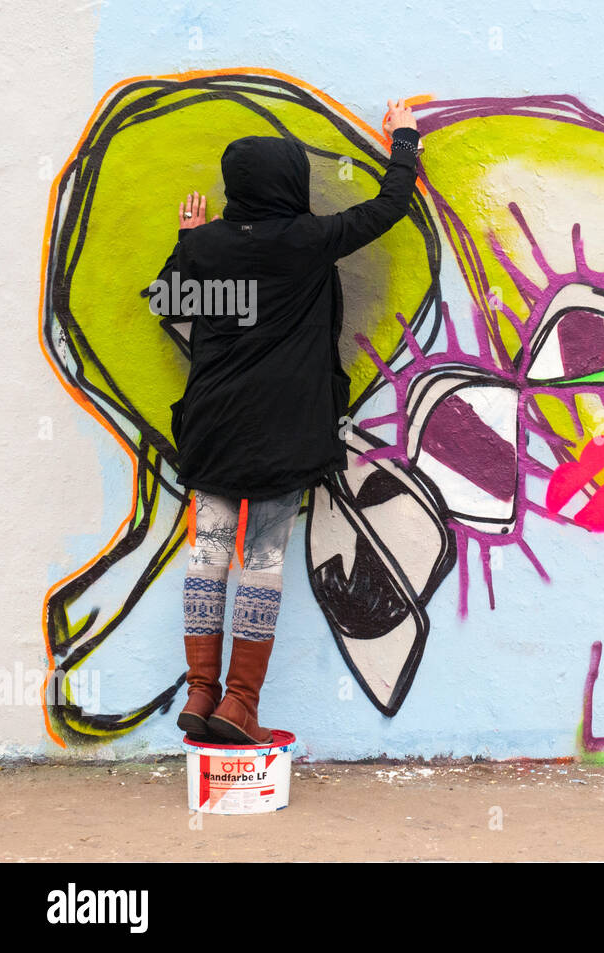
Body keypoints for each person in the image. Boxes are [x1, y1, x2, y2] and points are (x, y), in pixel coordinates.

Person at [146, 99, 422, 744]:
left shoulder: (206, 247)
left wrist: (190, 242)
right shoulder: (309, 240)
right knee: (262, 558)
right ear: (291, 182)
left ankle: (199, 692)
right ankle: (239, 703)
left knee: (209, 551)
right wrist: (404, 141)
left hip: (214, 424)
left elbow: (166, 302)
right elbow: (388, 208)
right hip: (286, 429)